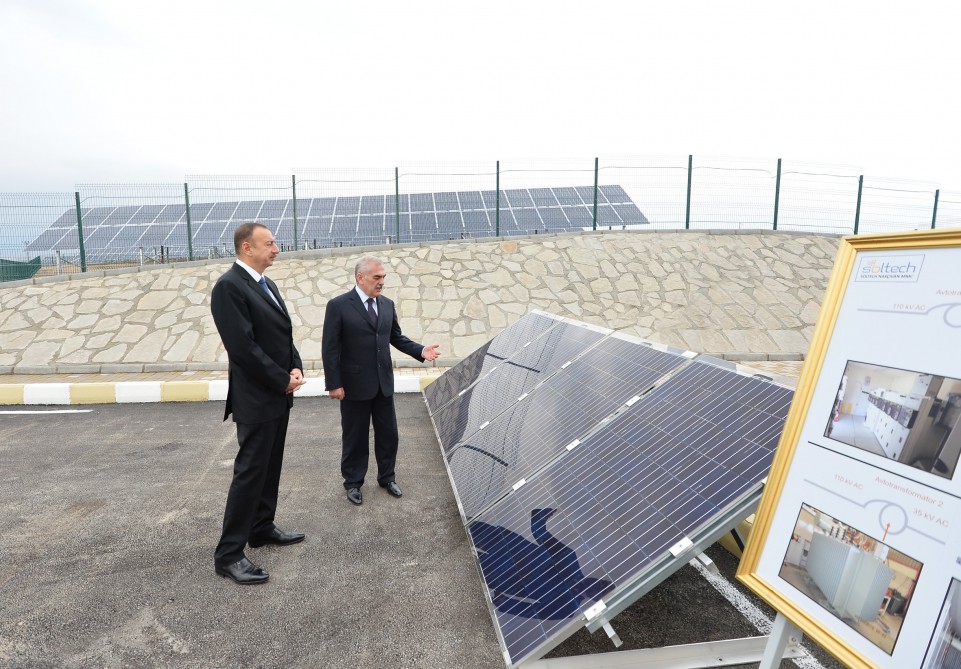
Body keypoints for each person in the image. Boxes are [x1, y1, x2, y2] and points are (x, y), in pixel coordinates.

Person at [210, 222, 307, 585]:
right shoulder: (229, 287)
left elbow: (282, 333)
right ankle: (229, 555)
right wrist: (282, 379)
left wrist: (294, 364)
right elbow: (243, 347)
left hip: (278, 395)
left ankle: (261, 527)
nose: (276, 248)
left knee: (270, 467)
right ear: (247, 248)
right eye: (269, 243)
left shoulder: (268, 285)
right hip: (257, 397)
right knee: (250, 473)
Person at [322, 256, 440, 505]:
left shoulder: (387, 304)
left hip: (383, 383)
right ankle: (353, 483)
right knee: (355, 436)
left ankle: (387, 477)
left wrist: (420, 351)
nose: (382, 282)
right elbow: (330, 348)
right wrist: (334, 383)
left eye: (383, 277)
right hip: (353, 385)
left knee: (389, 434)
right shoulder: (339, 305)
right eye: (377, 277)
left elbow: (396, 337)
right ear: (360, 277)